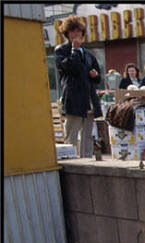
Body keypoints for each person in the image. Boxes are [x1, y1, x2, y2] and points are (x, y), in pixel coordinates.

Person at [54, 15, 103, 158]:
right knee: (72, 134)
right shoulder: (61, 50)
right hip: (73, 98)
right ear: (67, 34)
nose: (76, 35)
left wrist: (95, 75)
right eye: (72, 32)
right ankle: (71, 160)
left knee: (87, 135)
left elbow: (98, 77)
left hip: (89, 98)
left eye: (78, 31)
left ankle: (86, 159)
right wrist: (74, 51)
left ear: (82, 33)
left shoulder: (88, 54)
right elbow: (70, 68)